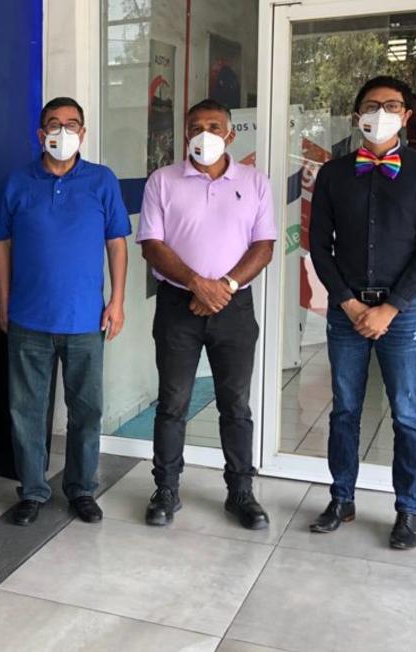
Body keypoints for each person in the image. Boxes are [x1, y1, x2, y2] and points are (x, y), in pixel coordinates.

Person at [308, 76, 416, 550]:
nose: (381, 113)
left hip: (401, 313)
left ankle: (407, 510)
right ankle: (341, 498)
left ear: (406, 116)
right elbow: (319, 247)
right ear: (357, 115)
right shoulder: (333, 174)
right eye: (372, 105)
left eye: (392, 105)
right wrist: (349, 303)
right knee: (344, 410)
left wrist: (391, 307)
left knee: (407, 413)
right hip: (346, 310)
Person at [137, 99, 277, 530]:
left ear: (230, 134)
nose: (204, 134)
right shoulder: (162, 181)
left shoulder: (255, 182)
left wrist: (224, 287)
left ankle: (241, 493)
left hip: (234, 307)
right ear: (184, 134)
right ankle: (166, 490)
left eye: (214, 126)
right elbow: (151, 244)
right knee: (173, 402)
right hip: (179, 305)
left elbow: (264, 245)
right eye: (195, 126)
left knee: (235, 404)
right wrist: (199, 284)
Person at [0, 97, 130, 526]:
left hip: (85, 320)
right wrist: (2, 299)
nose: (63, 132)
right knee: (26, 411)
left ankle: (81, 489)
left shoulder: (102, 181)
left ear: (83, 134)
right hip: (28, 319)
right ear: (40, 134)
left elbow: (116, 242)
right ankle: (32, 490)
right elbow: (2, 243)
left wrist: (118, 300)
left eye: (72, 124)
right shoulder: (18, 182)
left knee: (86, 411)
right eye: (54, 124)